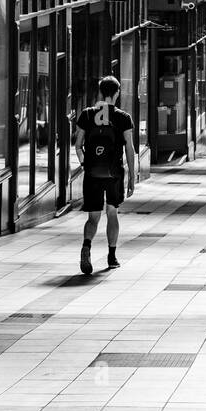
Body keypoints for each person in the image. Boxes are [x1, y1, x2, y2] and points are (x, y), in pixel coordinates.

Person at [75, 75, 136, 275]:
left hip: (92, 172)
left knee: (93, 217)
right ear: (117, 93)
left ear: (101, 93)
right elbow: (130, 148)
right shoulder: (123, 117)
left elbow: (77, 146)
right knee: (111, 212)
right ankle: (112, 256)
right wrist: (132, 176)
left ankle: (86, 246)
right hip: (114, 173)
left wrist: (86, 163)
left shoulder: (86, 114)